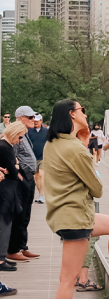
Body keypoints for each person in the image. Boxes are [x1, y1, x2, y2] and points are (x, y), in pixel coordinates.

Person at [44, 99, 103, 299]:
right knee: (67, 281)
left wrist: (82, 140)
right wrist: (85, 146)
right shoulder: (76, 150)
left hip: (62, 215)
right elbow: (98, 189)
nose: (85, 113)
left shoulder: (51, 144)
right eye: (81, 110)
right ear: (72, 114)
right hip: (76, 216)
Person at [6, 106, 40, 263]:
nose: (34, 120)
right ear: (20, 118)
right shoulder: (16, 134)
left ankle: (21, 246)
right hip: (22, 176)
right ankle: (13, 249)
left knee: (26, 213)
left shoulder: (24, 134)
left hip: (28, 175)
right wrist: (18, 173)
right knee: (20, 213)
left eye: (34, 117)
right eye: (30, 117)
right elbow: (11, 155)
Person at [0, 122, 27, 272]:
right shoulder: (4, 147)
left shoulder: (7, 146)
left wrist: (15, 166)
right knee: (4, 222)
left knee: (7, 222)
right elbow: (12, 168)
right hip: (6, 189)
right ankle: (1, 258)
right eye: (20, 136)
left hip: (8, 187)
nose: (21, 140)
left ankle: (2, 256)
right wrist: (16, 167)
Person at [28, 114, 48, 204]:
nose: (36, 122)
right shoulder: (29, 131)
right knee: (36, 177)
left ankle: (42, 195)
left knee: (41, 174)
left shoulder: (46, 131)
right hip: (32, 158)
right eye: (34, 120)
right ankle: (40, 195)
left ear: (41, 121)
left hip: (43, 157)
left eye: (38, 120)